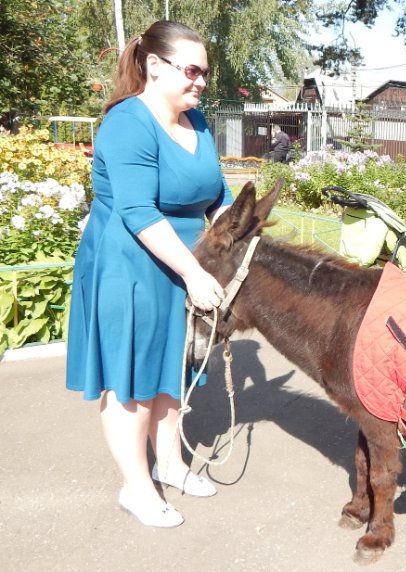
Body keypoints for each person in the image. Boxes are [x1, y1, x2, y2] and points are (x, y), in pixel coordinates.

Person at [65, 21, 233, 528]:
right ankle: (136, 488)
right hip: (129, 264)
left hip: (182, 264)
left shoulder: (196, 121)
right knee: (132, 379)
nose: (200, 81)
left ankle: (172, 465)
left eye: (205, 72)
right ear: (154, 66)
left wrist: (237, 240)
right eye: (191, 70)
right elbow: (138, 211)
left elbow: (216, 195)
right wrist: (195, 272)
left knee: (172, 370)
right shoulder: (127, 123)